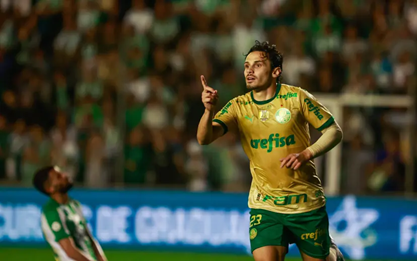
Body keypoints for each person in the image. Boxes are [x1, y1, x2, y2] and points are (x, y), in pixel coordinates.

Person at [197, 40, 345, 261]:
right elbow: (204, 138)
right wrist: (209, 111)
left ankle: (331, 252)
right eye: (247, 65)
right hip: (265, 205)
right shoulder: (238, 106)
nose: (249, 70)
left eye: (257, 65)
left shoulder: (296, 98)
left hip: (305, 203)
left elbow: (334, 131)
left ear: (276, 71)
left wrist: (307, 154)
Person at [33, 166, 107, 261]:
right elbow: (69, 250)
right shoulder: (52, 212)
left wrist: (101, 258)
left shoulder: (74, 204)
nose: (65, 176)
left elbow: (88, 238)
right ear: (50, 188)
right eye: (59, 177)